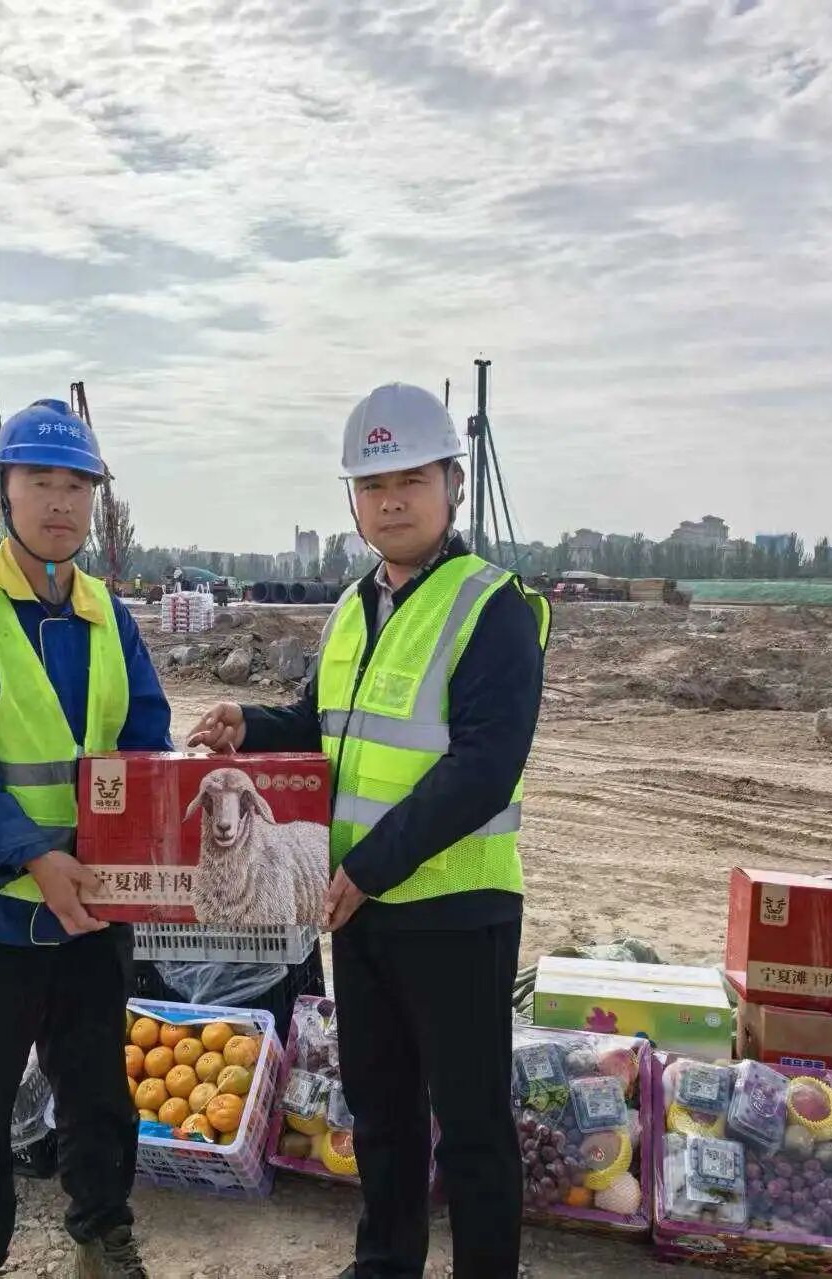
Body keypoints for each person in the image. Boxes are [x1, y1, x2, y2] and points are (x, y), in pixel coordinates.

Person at [189, 383, 548, 1279]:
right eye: (373, 484)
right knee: (380, 1111)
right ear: (352, 499)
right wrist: (251, 724)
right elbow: (324, 725)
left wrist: (371, 867)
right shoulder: (354, 607)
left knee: (470, 1123)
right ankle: (384, 1263)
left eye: (410, 479)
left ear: (452, 484)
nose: (391, 501)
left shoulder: (493, 606)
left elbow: (483, 766)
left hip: (455, 908)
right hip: (361, 907)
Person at [0, 398, 169, 1279]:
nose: (60, 501)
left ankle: (102, 1235)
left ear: (96, 500)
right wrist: (32, 854)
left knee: (100, 1095)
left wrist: (157, 837)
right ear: (0, 493)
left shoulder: (109, 615)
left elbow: (144, 739)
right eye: (40, 481)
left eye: (77, 486)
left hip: (92, 912)